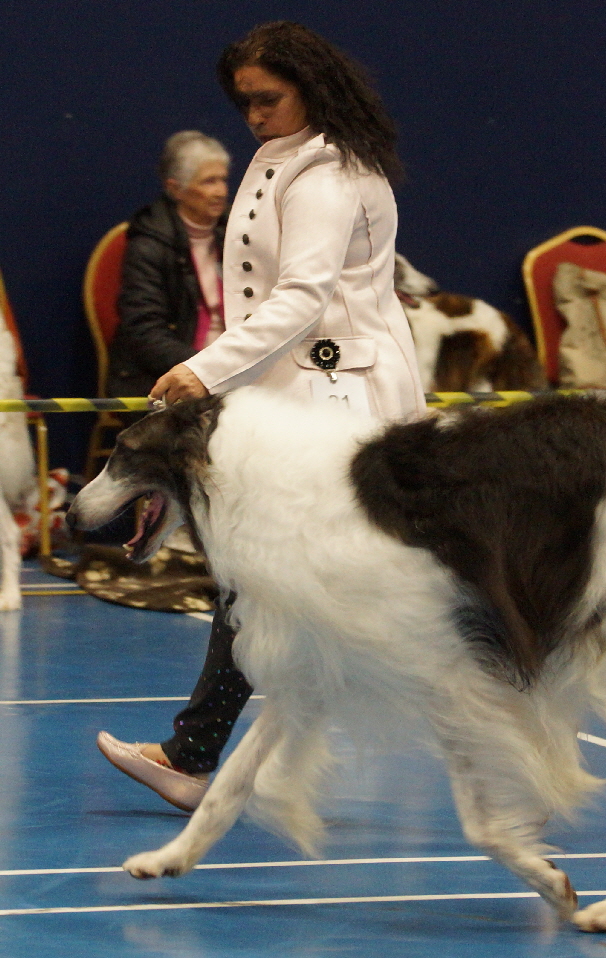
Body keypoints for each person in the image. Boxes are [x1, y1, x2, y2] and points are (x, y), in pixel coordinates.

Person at [97, 21, 425, 812]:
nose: (251, 115)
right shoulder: (295, 157)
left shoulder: (325, 175)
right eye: (242, 102)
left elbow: (303, 299)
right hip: (309, 397)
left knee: (277, 586)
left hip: (335, 405)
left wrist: (201, 369)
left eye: (265, 98)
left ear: (311, 86)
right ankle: (205, 755)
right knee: (276, 589)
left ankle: (200, 755)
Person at [108, 131, 231, 399]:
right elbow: (145, 332)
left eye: (223, 179)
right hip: (164, 374)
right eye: (209, 181)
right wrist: (206, 368)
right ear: (176, 189)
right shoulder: (148, 244)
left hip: (232, 366)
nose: (221, 191)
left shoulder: (238, 232)